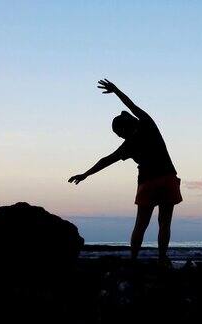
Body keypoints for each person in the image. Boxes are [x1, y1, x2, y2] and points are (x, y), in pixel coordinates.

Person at [69, 79, 182, 264]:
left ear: (122, 132)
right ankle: (162, 258)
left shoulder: (128, 145)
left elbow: (106, 160)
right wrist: (116, 91)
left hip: (147, 183)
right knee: (164, 223)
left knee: (141, 225)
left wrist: (85, 174)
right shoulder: (147, 125)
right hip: (167, 179)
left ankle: (134, 259)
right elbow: (131, 104)